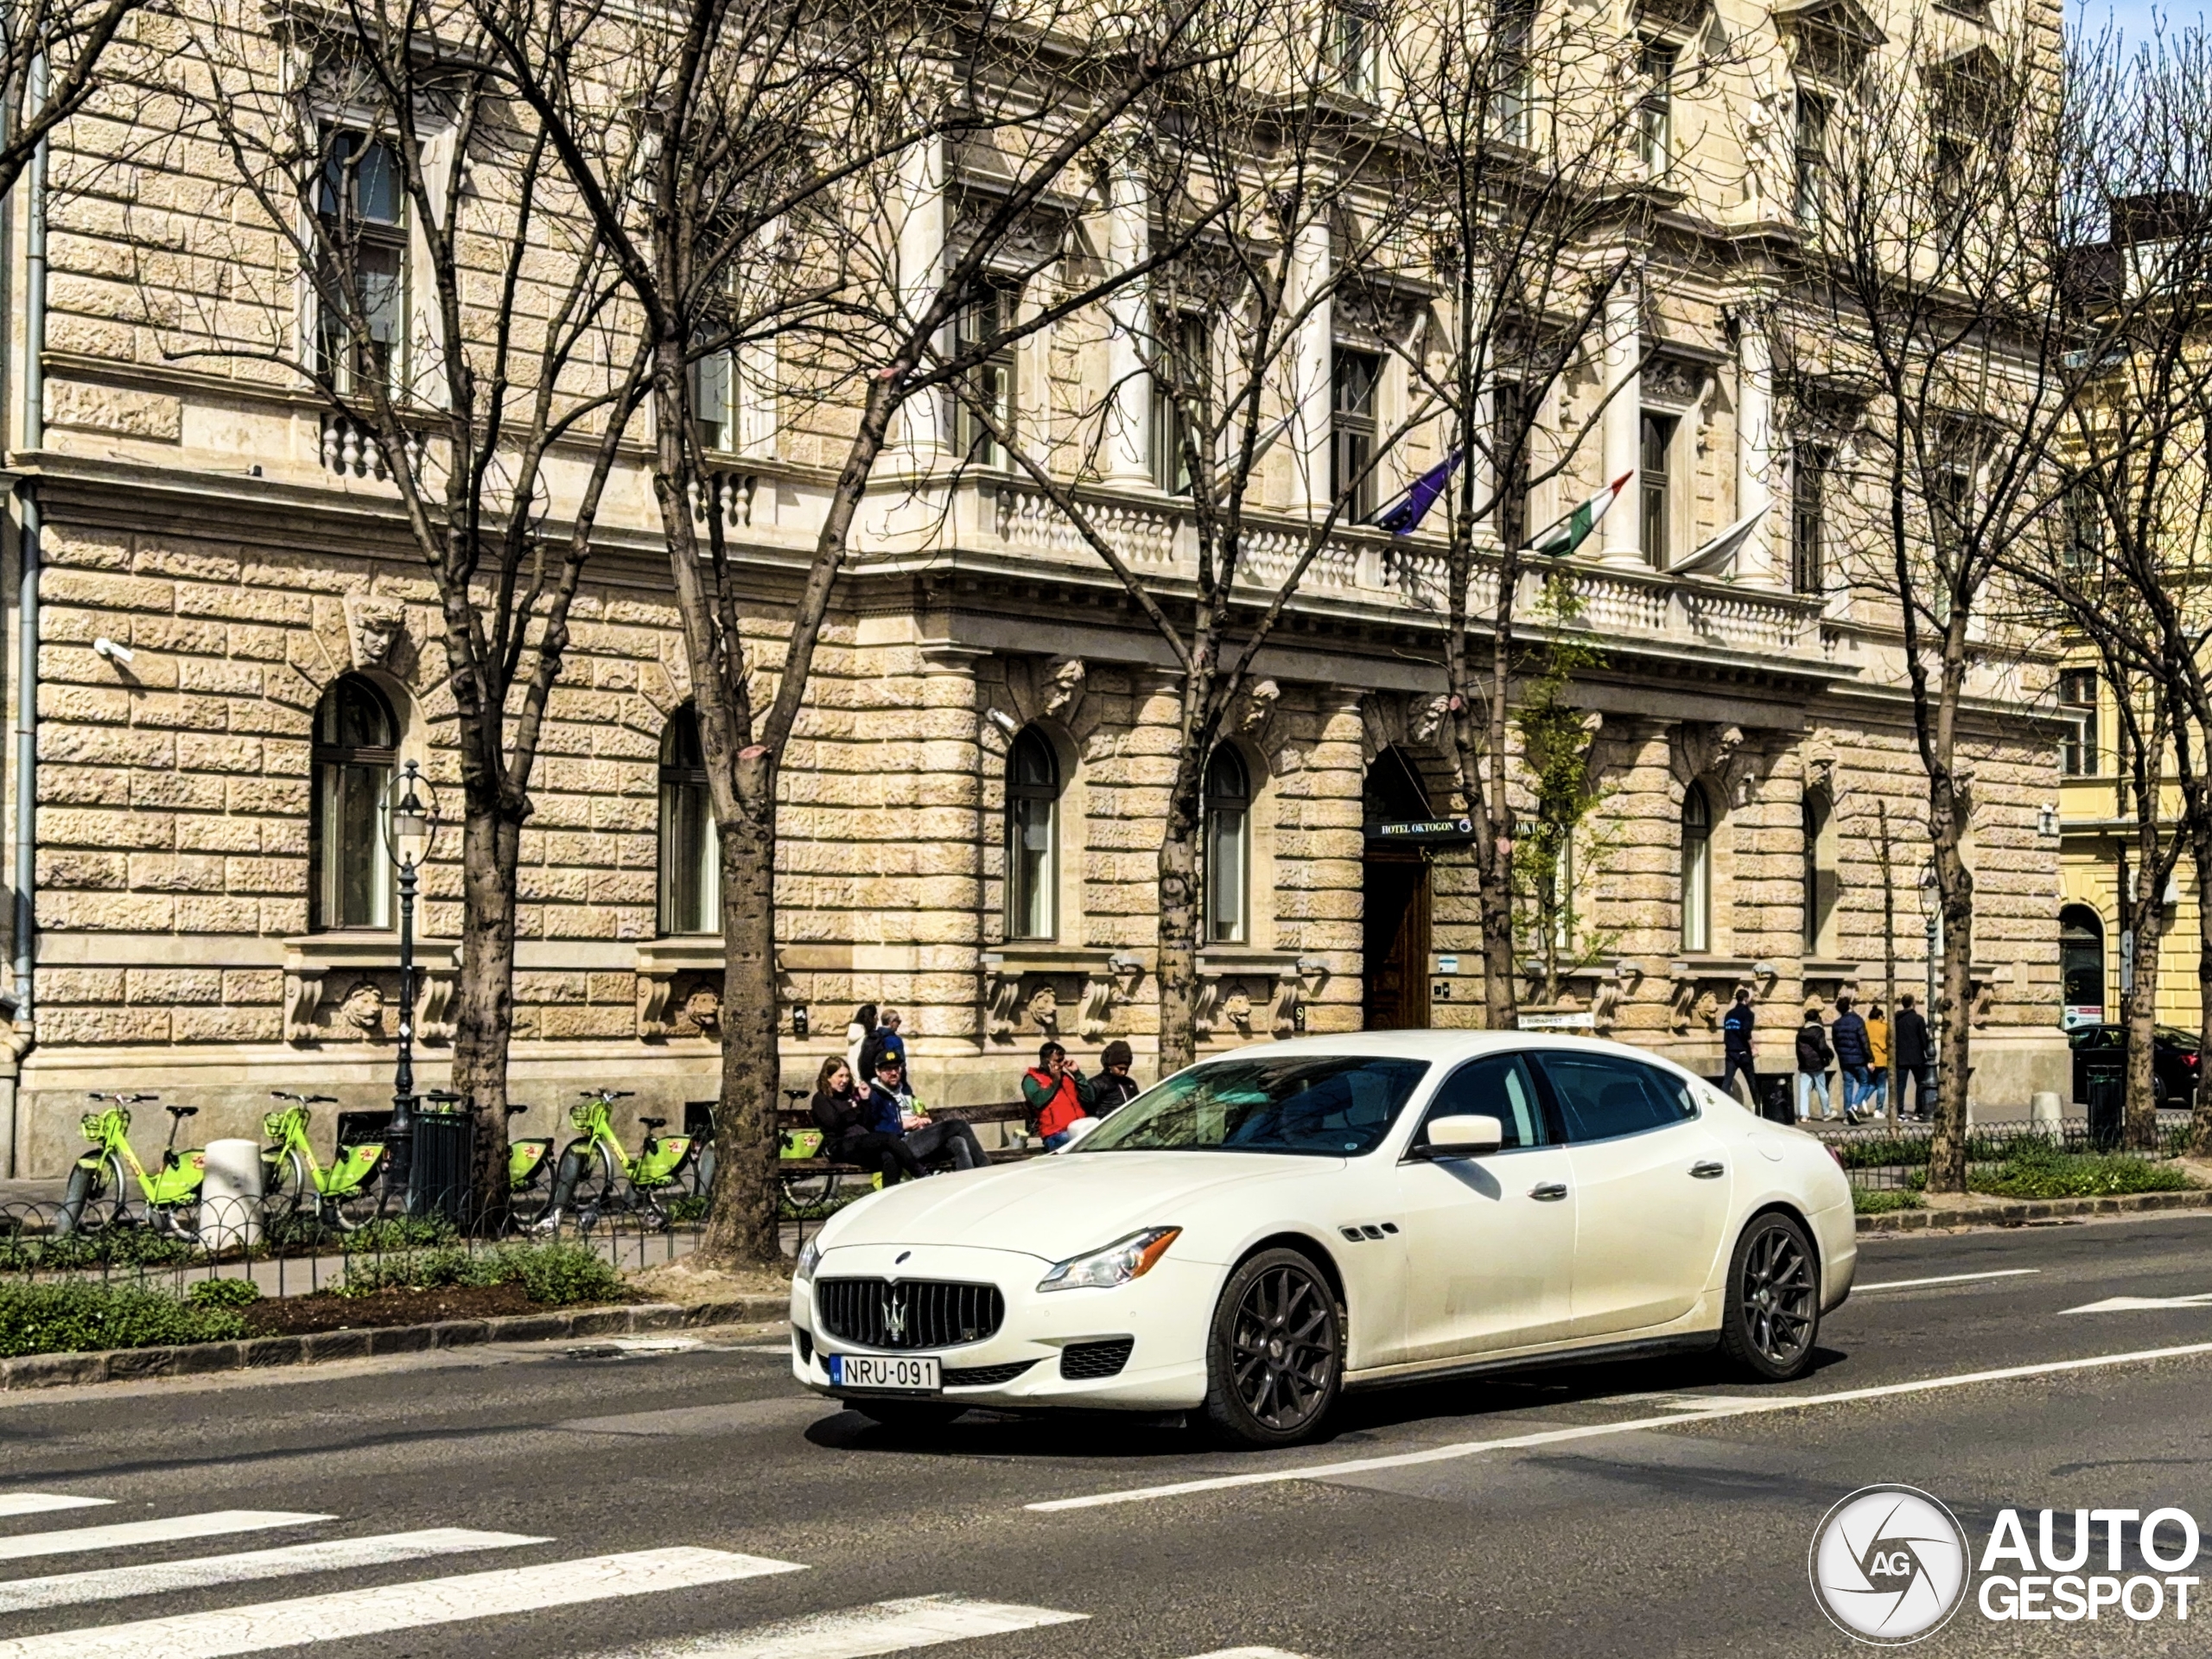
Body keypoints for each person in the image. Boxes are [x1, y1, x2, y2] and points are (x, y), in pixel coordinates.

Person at [810, 1055, 923, 1184]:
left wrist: (865, 1100)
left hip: (861, 1143)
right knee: (888, 1138)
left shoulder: (849, 1096)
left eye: (847, 1076)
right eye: (840, 1076)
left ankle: (889, 1198)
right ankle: (921, 1174)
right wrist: (854, 1111)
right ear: (828, 1077)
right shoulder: (821, 1099)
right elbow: (834, 1124)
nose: (845, 1080)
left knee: (890, 1156)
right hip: (839, 1146)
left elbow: (866, 1123)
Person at [866, 1052, 984, 1172]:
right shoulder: (874, 1095)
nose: (894, 1073)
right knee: (959, 1125)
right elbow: (872, 1129)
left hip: (919, 1138)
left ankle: (966, 1181)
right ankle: (986, 1168)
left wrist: (922, 1118)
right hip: (901, 1145)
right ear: (878, 1072)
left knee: (958, 1142)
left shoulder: (904, 1090)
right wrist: (902, 1126)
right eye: (888, 1069)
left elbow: (917, 1108)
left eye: (896, 1068)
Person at [1021, 1041, 1095, 1149]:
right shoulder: (1031, 1080)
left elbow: (1090, 1098)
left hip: (1078, 1130)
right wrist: (1055, 1081)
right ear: (1045, 1061)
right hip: (1054, 1135)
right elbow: (1038, 1101)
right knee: (1075, 1143)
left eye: (1063, 1060)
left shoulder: (1066, 1078)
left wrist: (1077, 1074)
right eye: (1058, 1061)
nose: (1062, 1064)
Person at [1831, 994, 1872, 1123]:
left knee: (1848, 1084)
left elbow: (1835, 1043)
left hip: (1844, 1060)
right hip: (1859, 1059)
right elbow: (1865, 1041)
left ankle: (1847, 1114)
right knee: (1865, 1083)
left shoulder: (1836, 1024)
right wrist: (1870, 1059)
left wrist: (1841, 1055)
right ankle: (1854, 1107)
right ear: (1850, 1006)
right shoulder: (1858, 1021)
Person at [1894, 993, 1936, 1120]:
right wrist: (1927, 1052)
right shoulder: (1918, 1019)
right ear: (1913, 1004)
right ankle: (1919, 1110)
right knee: (1921, 1083)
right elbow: (1923, 1039)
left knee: (1900, 1085)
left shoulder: (1896, 1018)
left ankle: (1899, 1112)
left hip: (1900, 1056)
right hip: (1917, 1057)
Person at [1796, 1005, 1836, 1122]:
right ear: (1817, 1018)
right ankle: (1826, 1113)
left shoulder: (1801, 1031)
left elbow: (1798, 1049)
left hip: (1804, 1064)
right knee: (1822, 1088)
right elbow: (1822, 1047)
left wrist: (1801, 1061)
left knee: (1804, 1090)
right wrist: (1830, 1054)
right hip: (1817, 1063)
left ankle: (1804, 1115)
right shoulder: (1819, 1031)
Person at [1721, 988, 1758, 1110]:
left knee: (1727, 1081)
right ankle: (1759, 1109)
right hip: (1743, 1053)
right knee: (1752, 1081)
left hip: (1730, 1052)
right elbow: (1746, 1033)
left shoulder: (1729, 1014)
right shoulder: (1748, 1014)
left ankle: (1722, 1108)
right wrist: (1753, 1048)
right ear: (1746, 999)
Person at [1091, 1039, 1142, 1116]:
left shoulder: (1130, 1084)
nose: (1123, 1072)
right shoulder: (1096, 1084)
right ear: (1110, 1065)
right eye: (1120, 1068)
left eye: (1126, 1069)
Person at [859, 1009, 906, 1083]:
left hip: (874, 1079)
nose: (899, 1024)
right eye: (898, 1021)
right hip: (891, 1080)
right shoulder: (895, 1040)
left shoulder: (872, 1037)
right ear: (891, 1023)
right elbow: (901, 1062)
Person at [1866, 1002, 1891, 1119]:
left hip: (1868, 1059)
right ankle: (1878, 1110)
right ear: (1880, 1017)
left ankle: (1863, 1099)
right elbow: (1888, 1043)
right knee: (1881, 1085)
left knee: (1871, 1083)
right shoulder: (1884, 1027)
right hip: (1881, 1058)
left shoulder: (1865, 1026)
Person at [843, 1003, 877, 1081]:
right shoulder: (867, 1037)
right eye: (876, 1017)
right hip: (863, 1080)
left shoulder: (853, 1032)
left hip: (852, 1078)